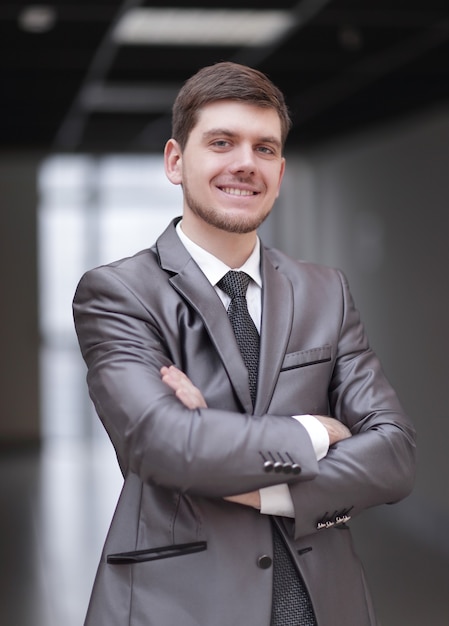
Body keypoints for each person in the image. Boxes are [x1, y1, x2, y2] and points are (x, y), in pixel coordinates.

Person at [73, 62, 416, 626]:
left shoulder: (325, 291)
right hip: (180, 606)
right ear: (176, 161)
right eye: (222, 142)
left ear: (280, 171)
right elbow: (162, 443)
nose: (244, 164)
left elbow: (396, 455)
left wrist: (257, 487)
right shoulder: (119, 293)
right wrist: (314, 432)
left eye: (264, 148)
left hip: (322, 606)